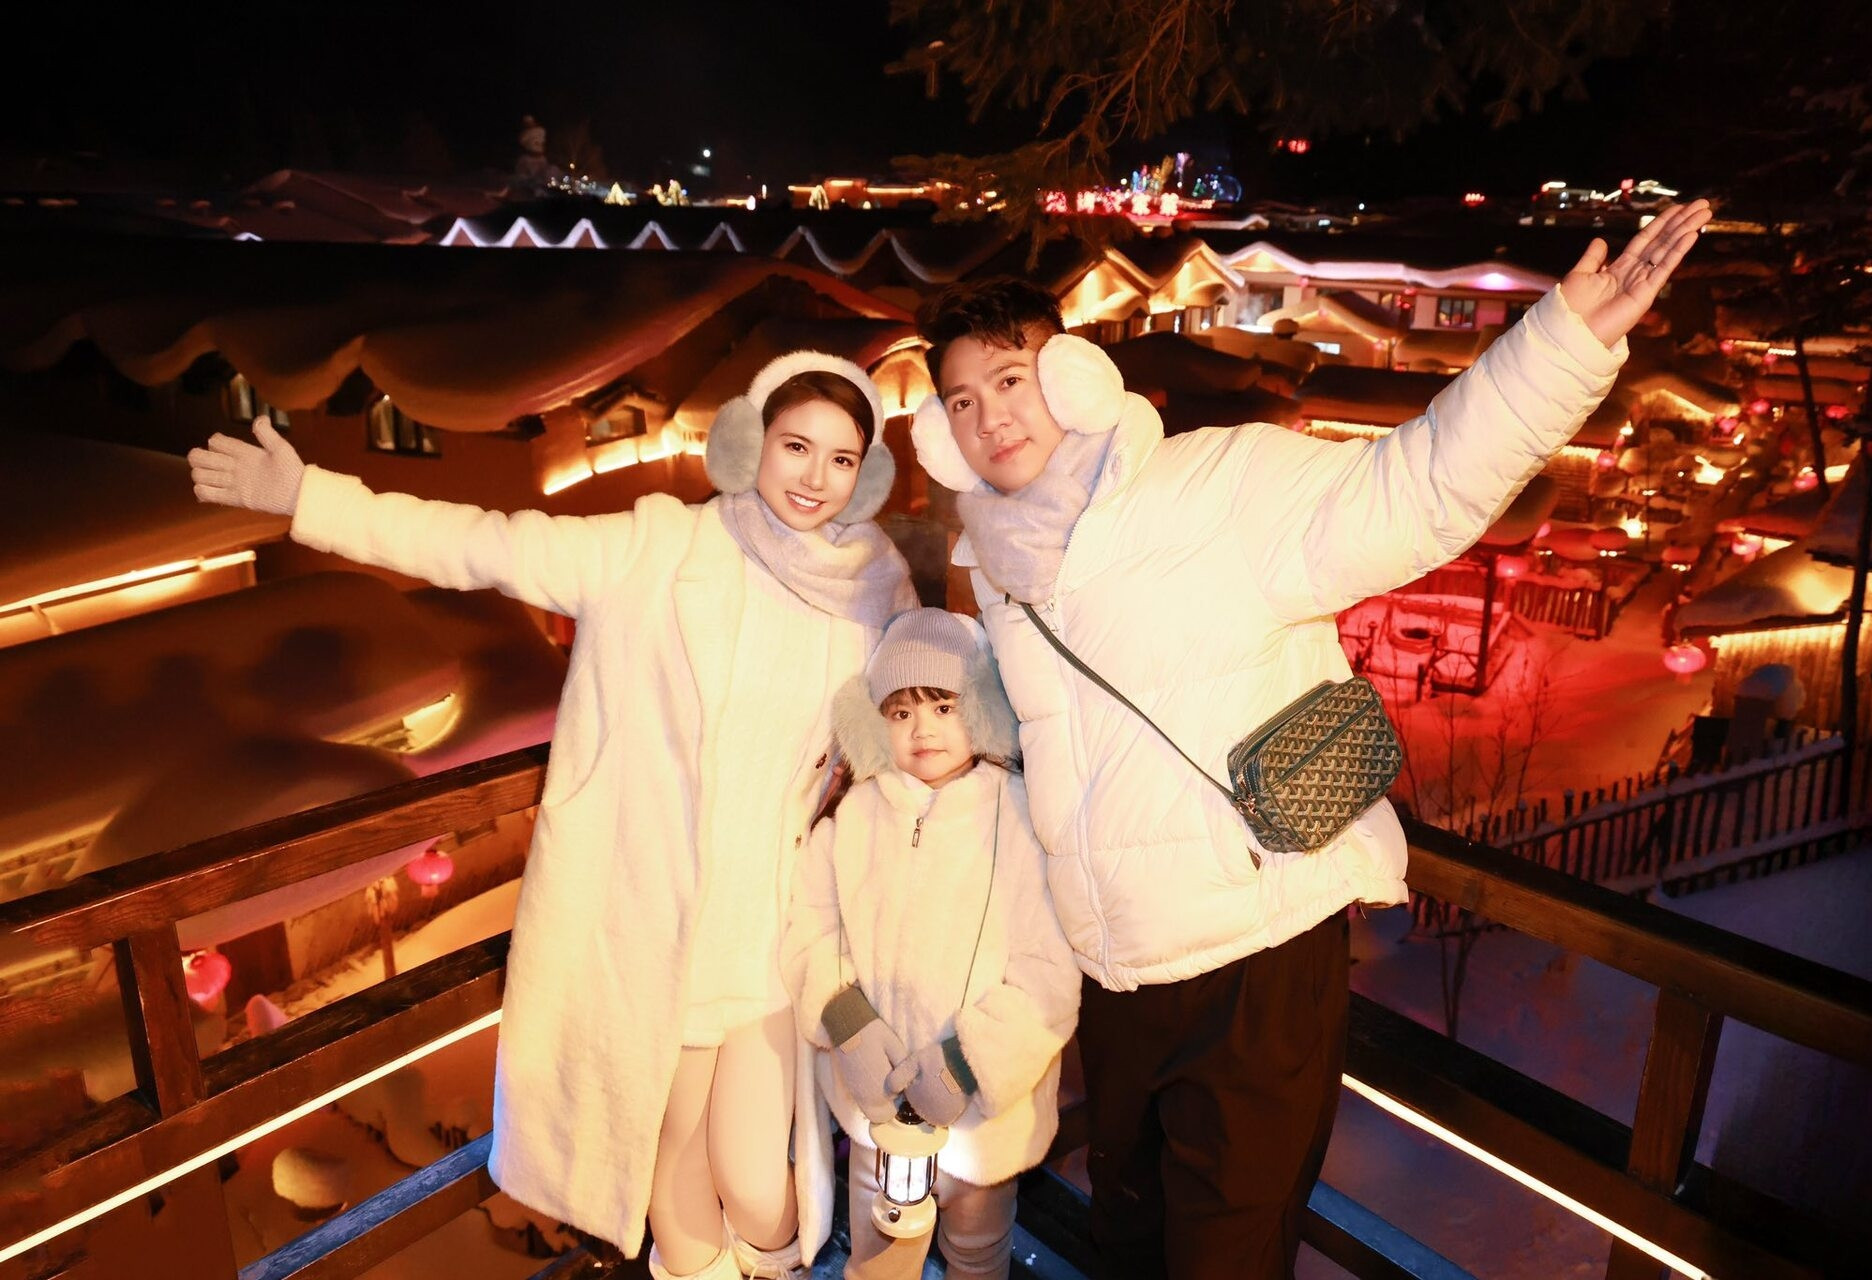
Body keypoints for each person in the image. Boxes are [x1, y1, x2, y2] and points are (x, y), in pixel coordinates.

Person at [905, 202, 1714, 1279]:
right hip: (1120, 978)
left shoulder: (1216, 486)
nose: (989, 417)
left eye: (1010, 379)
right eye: (961, 400)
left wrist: (1564, 341)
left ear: (1071, 377)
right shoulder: (1001, 571)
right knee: (1127, 1246)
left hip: (1259, 959)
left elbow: (1415, 486)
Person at [188, 351, 918, 1279]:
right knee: (674, 1164)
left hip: (783, 932)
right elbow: (482, 542)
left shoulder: (872, 587)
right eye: (795, 445)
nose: (815, 477)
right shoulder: (655, 550)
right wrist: (310, 499)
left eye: (842, 458)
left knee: (754, 1174)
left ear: (866, 474)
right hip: (663, 933)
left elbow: (897, 734)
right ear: (749, 441)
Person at [782, 608, 1079, 1280]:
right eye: (900, 711)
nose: (923, 729)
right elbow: (812, 928)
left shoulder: (1021, 818)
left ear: (982, 707)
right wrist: (849, 1025)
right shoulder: (854, 816)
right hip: (877, 1108)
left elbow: (1048, 973)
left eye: (944, 706)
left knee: (977, 1253)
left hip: (983, 1124)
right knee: (878, 1254)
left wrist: (964, 1063)